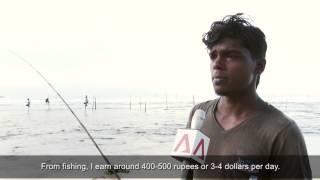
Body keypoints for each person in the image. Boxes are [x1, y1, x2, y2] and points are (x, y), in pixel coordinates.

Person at [183, 13, 311, 179]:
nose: (217, 64)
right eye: (213, 55)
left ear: (258, 66)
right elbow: (187, 173)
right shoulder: (198, 115)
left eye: (231, 56)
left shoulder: (282, 133)